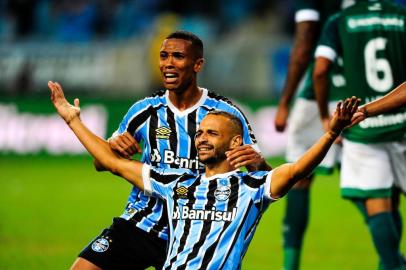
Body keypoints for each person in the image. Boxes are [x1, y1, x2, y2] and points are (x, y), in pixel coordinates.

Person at [48, 80, 360, 269]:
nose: (201, 138)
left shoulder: (252, 188)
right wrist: (73, 121)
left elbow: (297, 170)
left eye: (211, 133)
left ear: (235, 142)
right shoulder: (175, 184)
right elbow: (112, 163)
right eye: (199, 133)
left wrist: (332, 132)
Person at [69, 30, 270, 270]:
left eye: (177, 57)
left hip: (194, 231)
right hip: (142, 222)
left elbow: (261, 176)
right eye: (164, 56)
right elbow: (101, 164)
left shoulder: (225, 114)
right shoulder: (144, 111)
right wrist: (114, 148)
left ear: (197, 64)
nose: (168, 64)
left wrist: (258, 163)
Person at [313, 1, 406, 269]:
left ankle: (392, 264)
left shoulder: (340, 20)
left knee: (378, 200)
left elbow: (320, 70)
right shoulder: (401, 16)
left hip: (363, 128)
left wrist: (323, 116)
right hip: (401, 121)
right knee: (393, 199)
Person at [273, 1, 352, 268]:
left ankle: (290, 265)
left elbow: (305, 43)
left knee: (299, 178)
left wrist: (284, 102)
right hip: (366, 91)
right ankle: (391, 259)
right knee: (379, 182)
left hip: (322, 94)